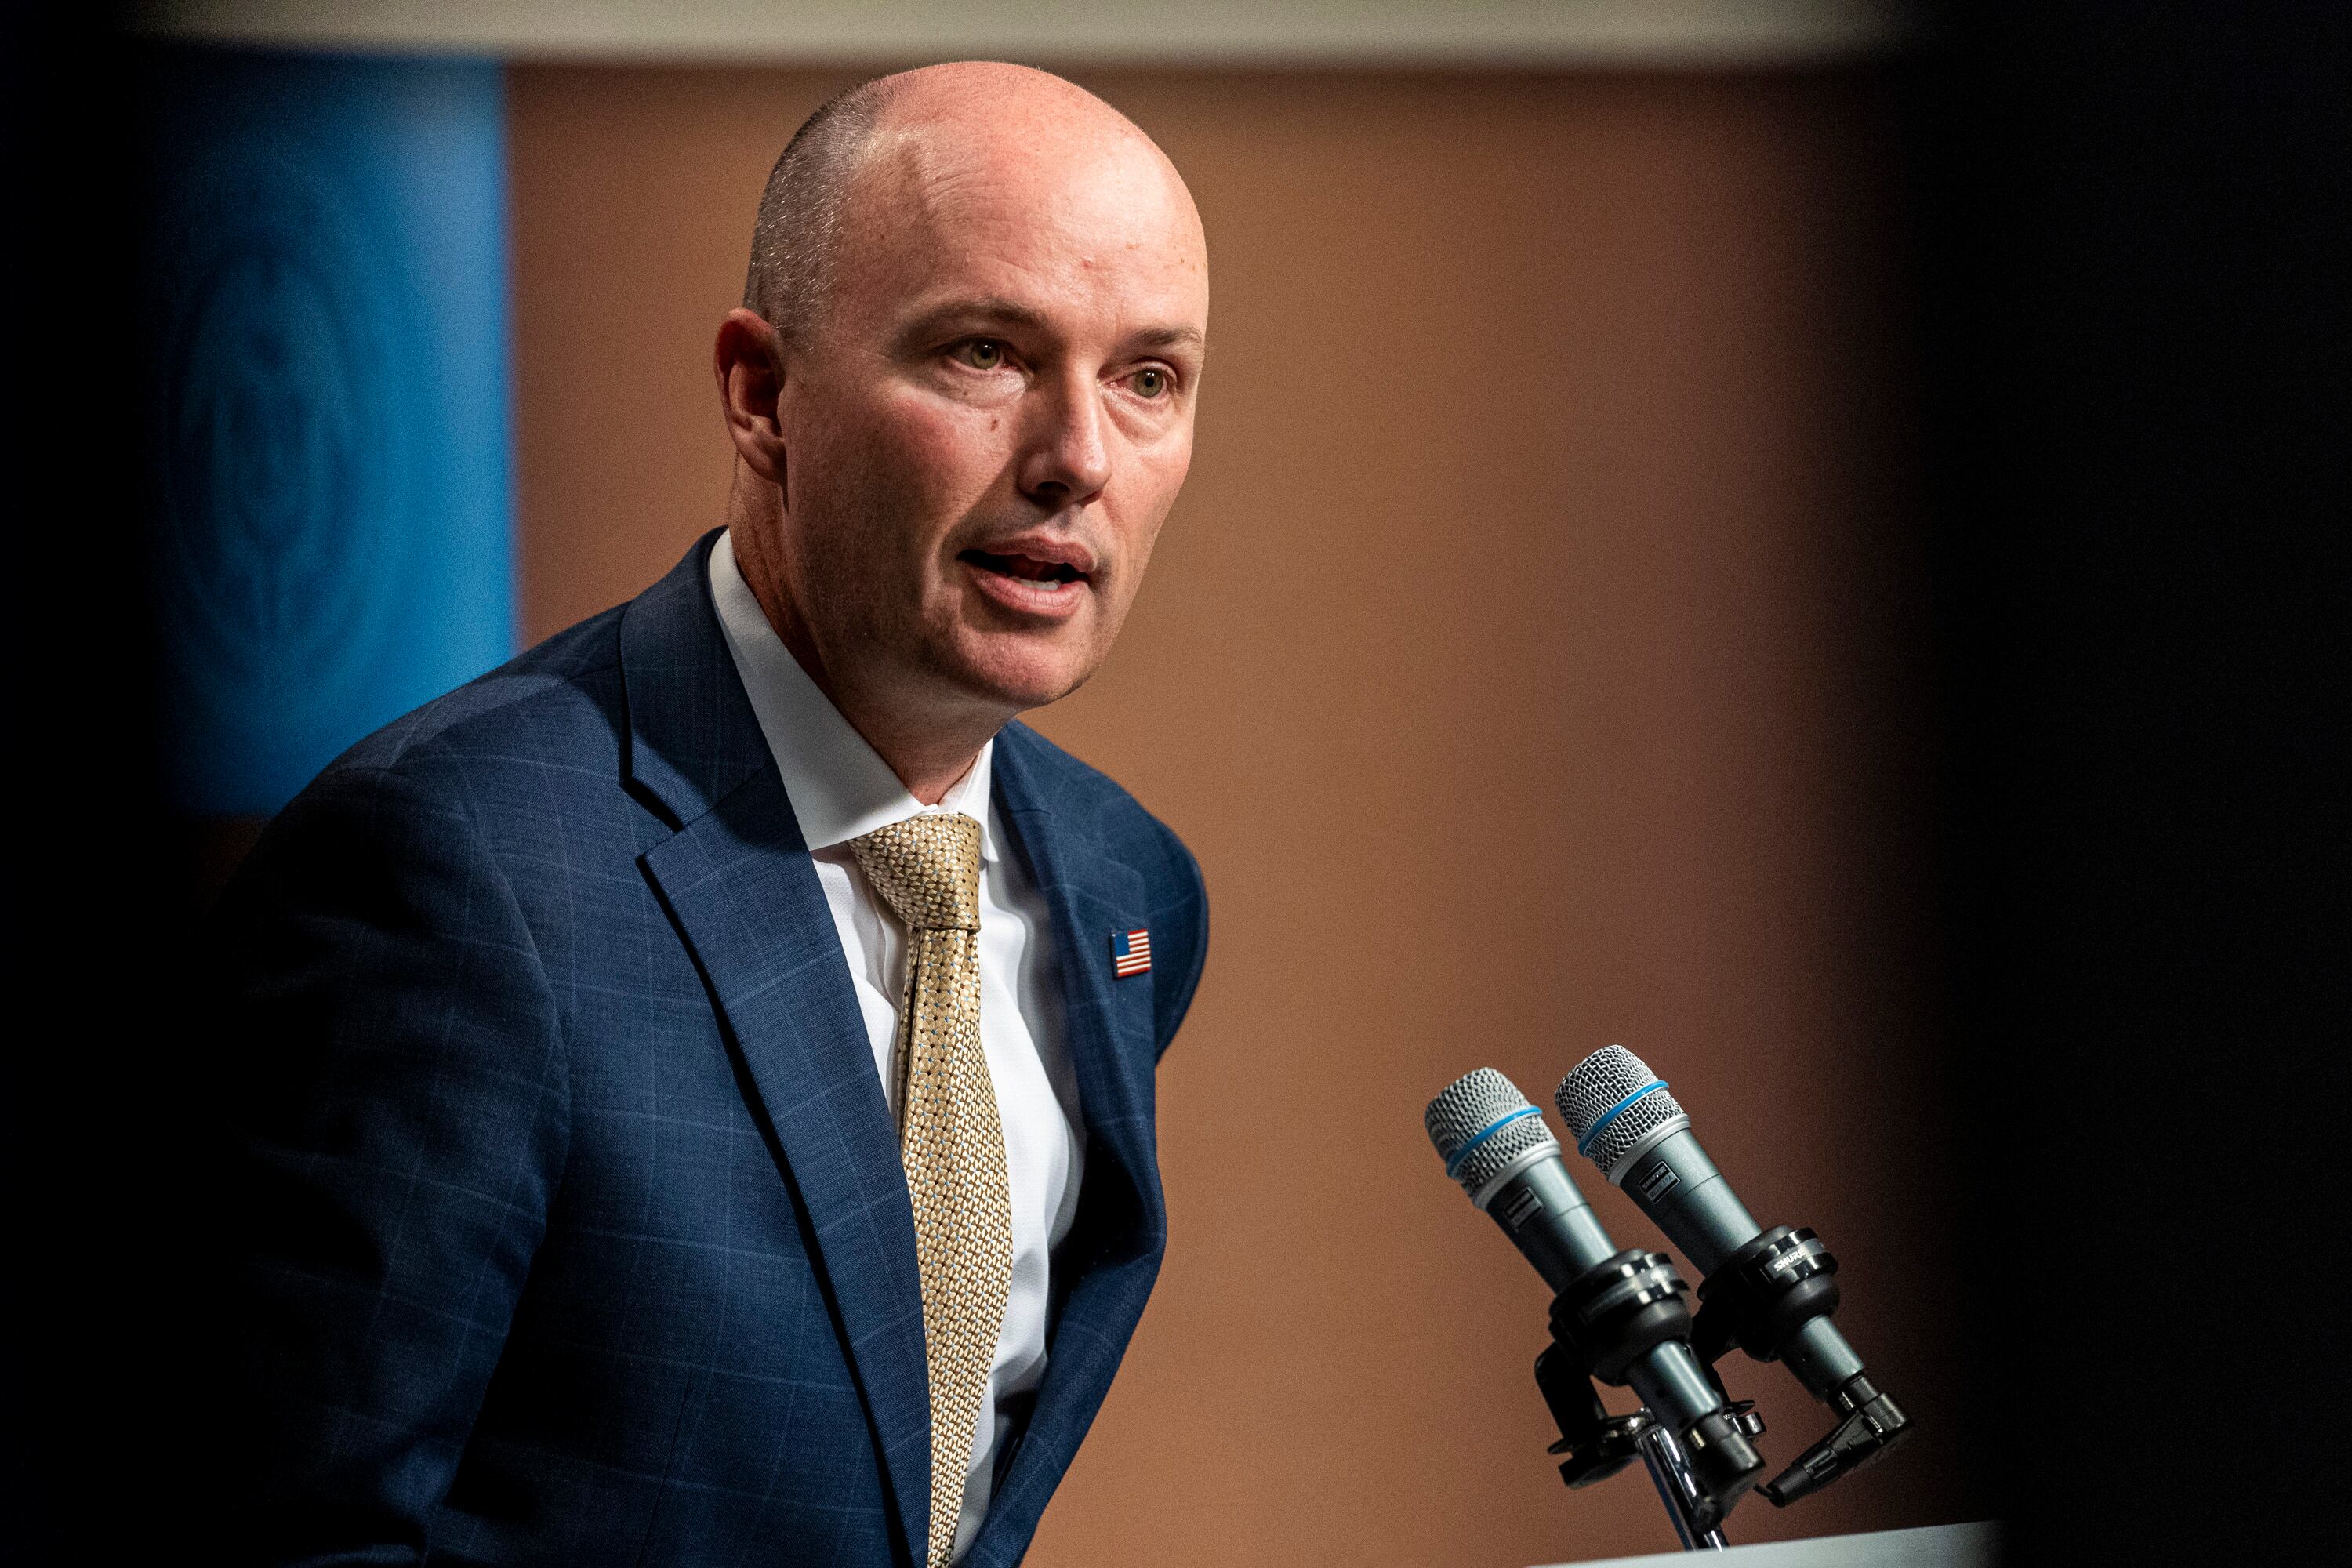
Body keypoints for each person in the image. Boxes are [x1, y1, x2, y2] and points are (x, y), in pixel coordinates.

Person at [213, 62, 1210, 1567]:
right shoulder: (452, 870)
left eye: (1148, 378)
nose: (1079, 459)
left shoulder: (1129, 887)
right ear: (762, 394)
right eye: (987, 353)